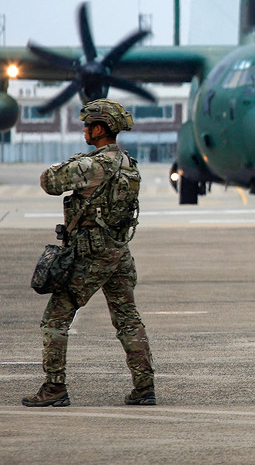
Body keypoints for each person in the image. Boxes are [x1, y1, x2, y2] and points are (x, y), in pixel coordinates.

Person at [22, 98, 155, 408]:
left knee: (55, 318)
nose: (84, 130)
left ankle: (54, 388)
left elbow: (49, 181)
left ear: (99, 129)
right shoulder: (128, 164)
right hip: (119, 253)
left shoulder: (91, 165)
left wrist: (72, 162)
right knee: (128, 321)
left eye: (87, 125)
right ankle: (144, 386)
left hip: (91, 256)